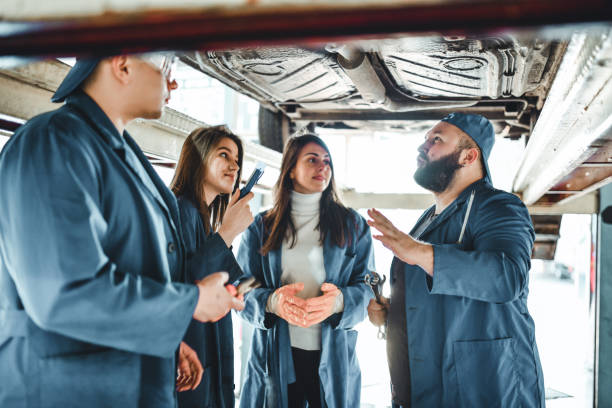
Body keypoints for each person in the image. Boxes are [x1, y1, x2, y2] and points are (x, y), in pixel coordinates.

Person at [0, 54, 244, 407]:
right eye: (166, 69)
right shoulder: (54, 142)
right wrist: (191, 302)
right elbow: (64, 293)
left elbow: (131, 268)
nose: (172, 82)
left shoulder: (121, 153)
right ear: (123, 63)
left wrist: (164, 343)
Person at [366, 113, 545, 407]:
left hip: (484, 386)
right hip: (424, 388)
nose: (422, 147)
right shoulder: (426, 220)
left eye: (436, 139)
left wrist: (420, 252)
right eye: (425, 140)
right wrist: (393, 313)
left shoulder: (499, 206)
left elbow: (508, 277)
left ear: (468, 156)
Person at [237, 134, 375, 408]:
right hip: (277, 354)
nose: (322, 167)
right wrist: (272, 303)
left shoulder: (353, 226)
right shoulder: (261, 227)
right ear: (290, 169)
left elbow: (369, 287)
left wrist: (339, 302)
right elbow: (239, 288)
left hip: (333, 354)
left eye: (327, 161)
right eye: (312, 160)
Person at [170, 125, 254, 407]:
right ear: (198, 159)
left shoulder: (202, 220)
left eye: (237, 160)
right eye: (224, 155)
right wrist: (228, 232)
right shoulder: (181, 210)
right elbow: (187, 282)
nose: (235, 165)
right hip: (190, 359)